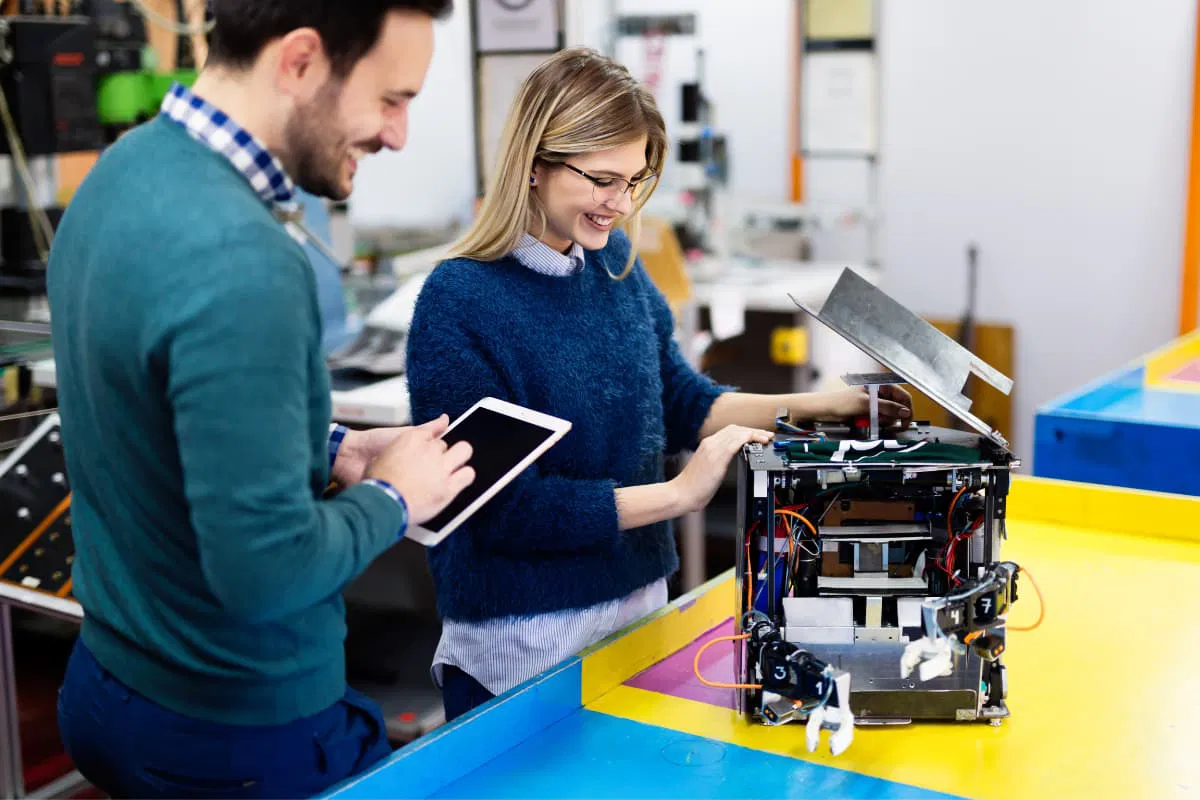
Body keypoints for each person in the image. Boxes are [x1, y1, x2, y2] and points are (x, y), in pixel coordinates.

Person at [404, 47, 913, 722]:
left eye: (635, 181)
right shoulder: (460, 302)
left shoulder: (611, 263)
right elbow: (503, 512)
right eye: (602, 179)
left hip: (639, 616)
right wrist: (677, 494)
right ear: (533, 164)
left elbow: (681, 401)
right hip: (520, 647)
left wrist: (829, 408)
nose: (619, 204)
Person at [45, 1, 474, 796]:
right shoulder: (246, 260)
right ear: (301, 60)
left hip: (110, 687)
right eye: (392, 98)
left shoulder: (122, 173)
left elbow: (156, 406)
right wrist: (392, 496)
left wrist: (329, 449)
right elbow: (266, 573)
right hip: (233, 732)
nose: (398, 134)